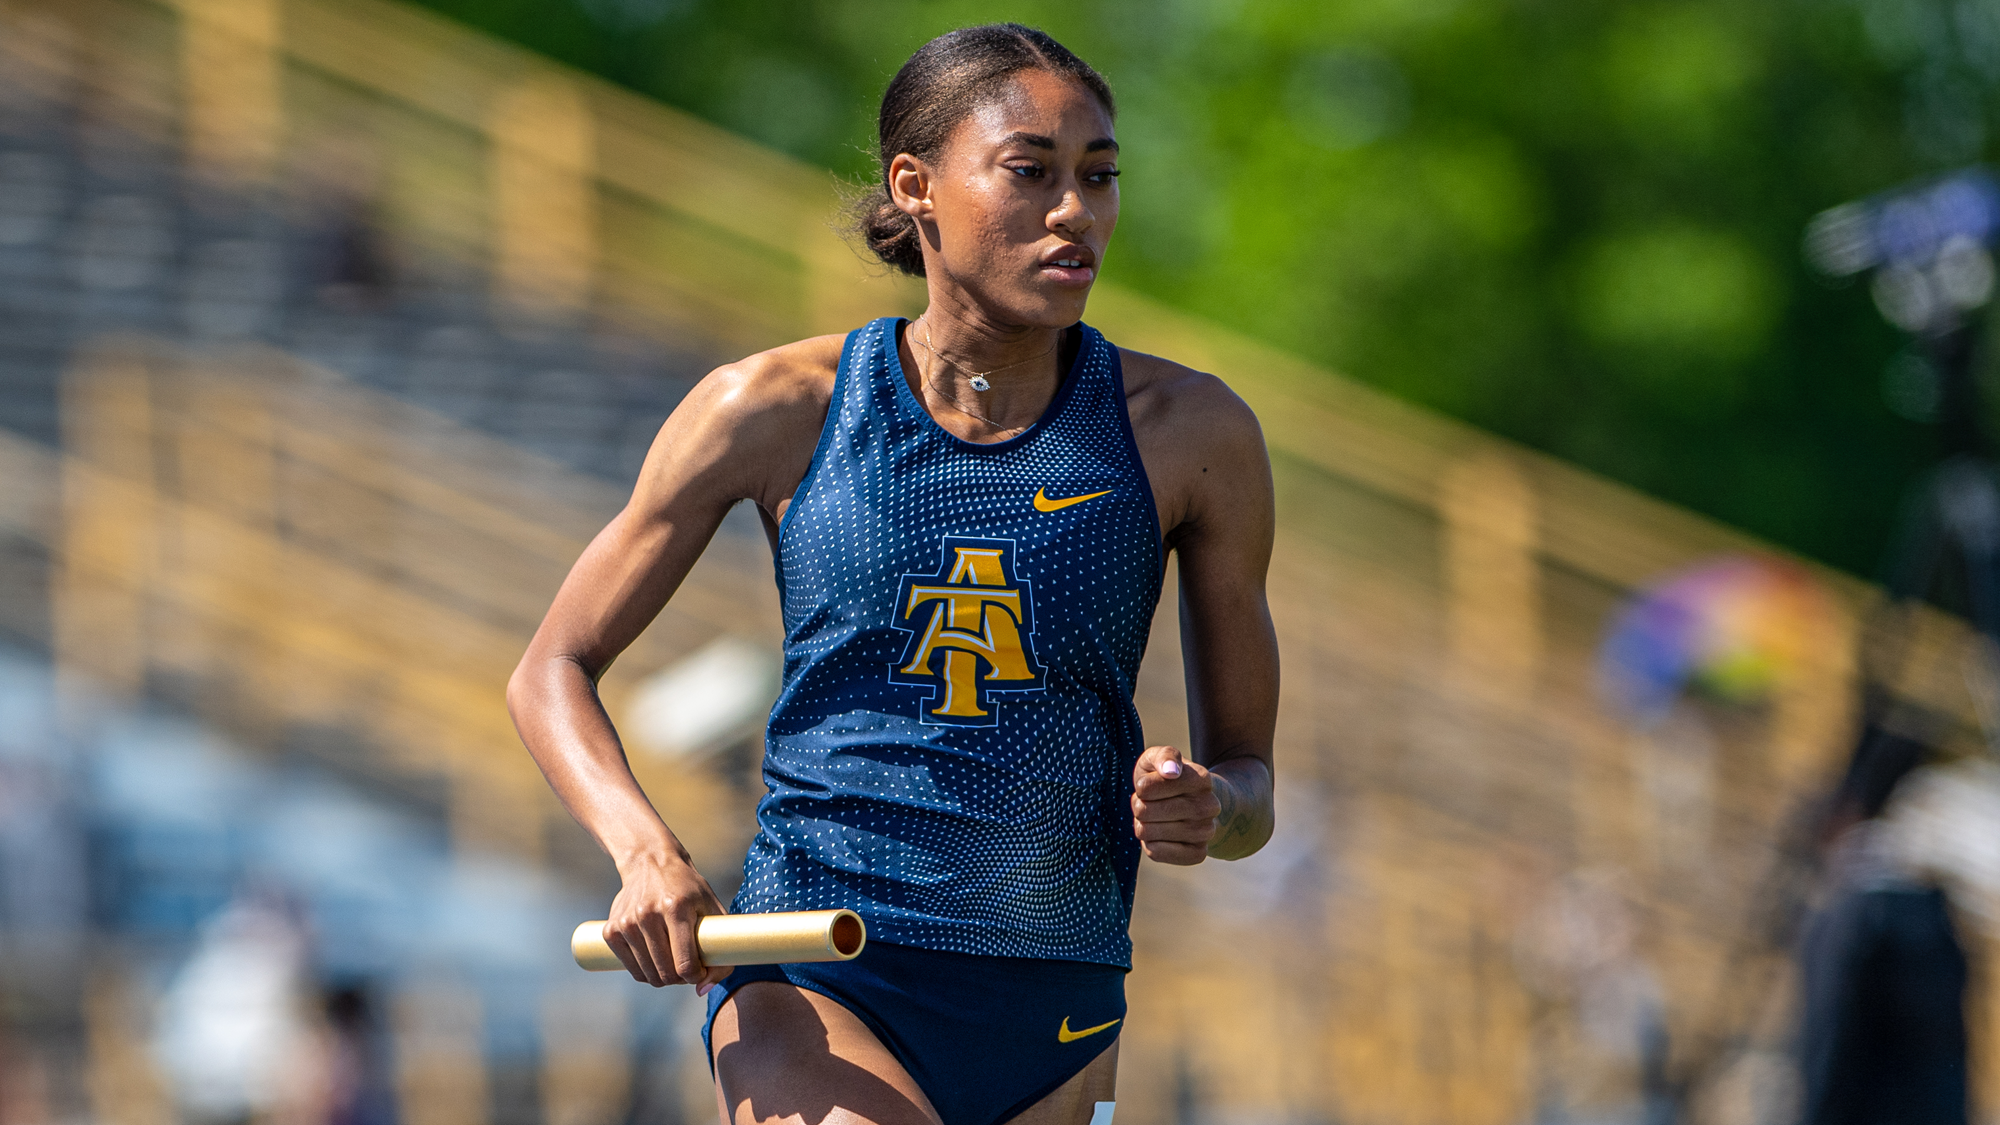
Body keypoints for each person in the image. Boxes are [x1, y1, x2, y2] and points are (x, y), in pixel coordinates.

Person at [508, 24, 1278, 1125]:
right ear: (914, 186)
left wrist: (1211, 807)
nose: (1074, 212)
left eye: (1098, 177)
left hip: (1057, 1001)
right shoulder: (771, 408)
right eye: (1030, 173)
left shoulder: (1190, 433)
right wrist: (644, 854)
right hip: (816, 973)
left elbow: (1249, 783)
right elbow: (551, 669)